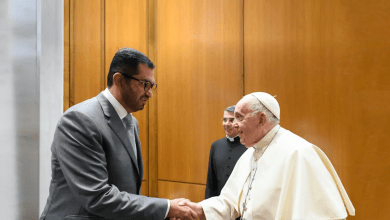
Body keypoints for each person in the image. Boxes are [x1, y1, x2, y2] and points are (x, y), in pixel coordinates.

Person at [40, 48, 197, 220]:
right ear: (119, 80)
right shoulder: (80, 120)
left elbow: (127, 190)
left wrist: (164, 211)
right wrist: (166, 208)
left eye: (152, 86)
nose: (150, 93)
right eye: (145, 84)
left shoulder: (131, 122)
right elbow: (98, 197)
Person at [178, 92, 355, 220]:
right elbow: (231, 202)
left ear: (261, 119)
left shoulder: (298, 153)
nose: (234, 125)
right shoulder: (250, 153)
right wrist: (199, 210)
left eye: (239, 118)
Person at [205, 105, 247, 202]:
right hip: (220, 205)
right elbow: (211, 182)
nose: (227, 124)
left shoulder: (248, 146)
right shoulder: (216, 145)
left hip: (241, 205)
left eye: (231, 120)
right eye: (224, 120)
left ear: (239, 122)